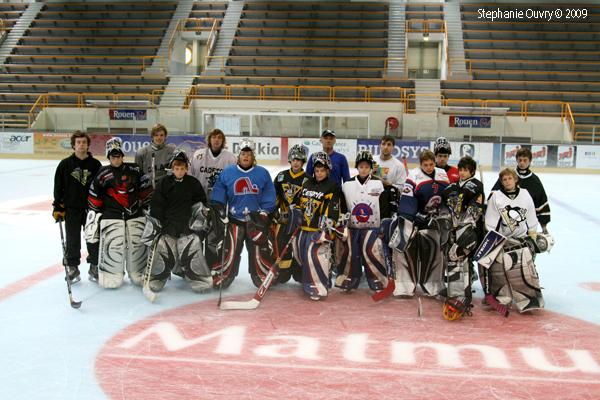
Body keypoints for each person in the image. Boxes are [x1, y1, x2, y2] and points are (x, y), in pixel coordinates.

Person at [479, 167, 552, 314]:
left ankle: (529, 298)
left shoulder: (525, 195)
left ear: (515, 179)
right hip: (502, 239)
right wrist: (496, 237)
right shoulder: (496, 196)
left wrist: (532, 233)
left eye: (510, 178)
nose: (507, 181)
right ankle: (500, 297)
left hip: (520, 238)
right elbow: (491, 220)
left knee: (523, 268)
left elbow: (531, 215)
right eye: (504, 179)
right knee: (495, 267)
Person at [209, 139, 277, 289]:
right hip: (235, 220)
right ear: (238, 156)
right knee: (230, 251)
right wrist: (219, 207)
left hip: (255, 222)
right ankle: (225, 274)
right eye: (243, 154)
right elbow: (219, 191)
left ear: (253, 156)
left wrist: (265, 212)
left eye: (249, 154)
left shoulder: (263, 173)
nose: (246, 157)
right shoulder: (228, 172)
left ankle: (261, 274)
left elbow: (269, 194)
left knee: (258, 251)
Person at [86, 137, 151, 288]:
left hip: (134, 216)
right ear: (109, 157)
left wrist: (148, 207)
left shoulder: (134, 170)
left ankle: (139, 271)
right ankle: (110, 274)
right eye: (113, 156)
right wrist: (95, 215)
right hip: (112, 217)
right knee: (113, 246)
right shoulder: (102, 173)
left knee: (137, 245)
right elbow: (94, 197)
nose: (116, 159)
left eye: (119, 156)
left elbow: (146, 191)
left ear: (123, 156)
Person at [144, 149, 212, 293]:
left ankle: (199, 279)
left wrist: (198, 219)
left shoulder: (193, 183)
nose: (179, 171)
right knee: (163, 251)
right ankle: (157, 278)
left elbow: (200, 203)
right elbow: (156, 204)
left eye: (182, 168)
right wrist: (159, 222)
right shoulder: (164, 183)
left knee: (192, 250)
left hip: (187, 226)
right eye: (176, 168)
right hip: (169, 225)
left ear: (187, 168)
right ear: (172, 168)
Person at [391, 149, 450, 298]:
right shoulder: (413, 177)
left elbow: (447, 198)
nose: (429, 167)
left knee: (435, 250)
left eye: (431, 164)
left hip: (434, 220)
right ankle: (405, 286)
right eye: (425, 165)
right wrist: (415, 216)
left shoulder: (442, 174)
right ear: (420, 164)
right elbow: (407, 202)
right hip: (415, 219)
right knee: (402, 247)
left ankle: (433, 284)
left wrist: (444, 213)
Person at [336, 150, 393, 292]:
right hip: (352, 227)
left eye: (367, 167)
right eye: (361, 166)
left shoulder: (378, 183)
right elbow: (343, 205)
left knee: (372, 251)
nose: (364, 169)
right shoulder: (347, 184)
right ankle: (350, 277)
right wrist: (343, 223)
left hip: (373, 227)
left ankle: (377, 278)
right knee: (351, 252)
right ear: (357, 167)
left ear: (370, 168)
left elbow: (384, 205)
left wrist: (384, 224)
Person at [291, 151, 343, 300]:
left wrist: (327, 227)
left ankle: (319, 285)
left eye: (322, 170)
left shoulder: (332, 186)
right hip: (303, 229)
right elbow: (299, 202)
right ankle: (308, 282)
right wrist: (296, 214)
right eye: (317, 170)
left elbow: (333, 208)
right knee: (302, 257)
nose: (319, 173)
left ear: (328, 171)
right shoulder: (307, 183)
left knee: (315, 257)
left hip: (318, 231)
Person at [52, 131, 102, 282]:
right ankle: (73, 268)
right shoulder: (65, 164)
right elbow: (58, 188)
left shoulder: (95, 165)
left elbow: (101, 187)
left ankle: (94, 266)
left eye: (84, 142)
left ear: (88, 145)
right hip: (71, 209)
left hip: (91, 209)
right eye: (78, 142)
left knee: (93, 238)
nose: (81, 145)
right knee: (72, 240)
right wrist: (58, 206)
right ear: (73, 145)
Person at [440, 156, 484, 320]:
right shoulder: (451, 188)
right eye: (461, 169)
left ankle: (463, 295)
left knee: (462, 258)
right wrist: (445, 220)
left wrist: (466, 226)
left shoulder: (476, 186)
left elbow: (476, 208)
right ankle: (454, 292)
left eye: (466, 170)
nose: (463, 172)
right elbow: (444, 207)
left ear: (471, 171)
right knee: (452, 260)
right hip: (452, 229)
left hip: (467, 229)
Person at [491, 147, 551, 232]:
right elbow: (494, 195)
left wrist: (544, 227)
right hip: (505, 223)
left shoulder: (535, 181)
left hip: (525, 225)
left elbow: (541, 203)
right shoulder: (508, 176)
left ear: (530, 161)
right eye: (520, 160)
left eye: (525, 160)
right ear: (517, 160)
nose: (522, 163)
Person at [273, 144, 307, 283]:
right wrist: (275, 213)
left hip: (301, 224)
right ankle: (283, 273)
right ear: (290, 160)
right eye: (294, 159)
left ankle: (300, 273)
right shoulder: (281, 177)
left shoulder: (308, 180)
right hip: (284, 223)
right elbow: (274, 197)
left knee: (299, 249)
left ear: (303, 161)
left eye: (299, 159)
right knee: (282, 248)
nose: (296, 162)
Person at [189, 128, 236, 201]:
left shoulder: (230, 158)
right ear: (209, 140)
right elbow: (190, 174)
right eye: (214, 137)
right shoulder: (198, 155)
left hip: (220, 199)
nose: (216, 140)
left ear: (223, 141)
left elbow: (233, 180)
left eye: (219, 137)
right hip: (198, 197)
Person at [134, 123, 176, 191]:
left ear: (165, 136)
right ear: (152, 136)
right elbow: (137, 175)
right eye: (156, 135)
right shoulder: (142, 153)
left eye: (161, 135)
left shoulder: (172, 151)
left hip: (167, 189)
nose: (159, 138)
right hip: (148, 190)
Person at [373, 135, 405, 216]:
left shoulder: (399, 165)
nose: (386, 147)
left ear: (393, 147)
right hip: (371, 199)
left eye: (389, 144)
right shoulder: (372, 161)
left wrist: (388, 184)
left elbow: (402, 188)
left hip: (389, 203)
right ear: (380, 145)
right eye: (383, 144)